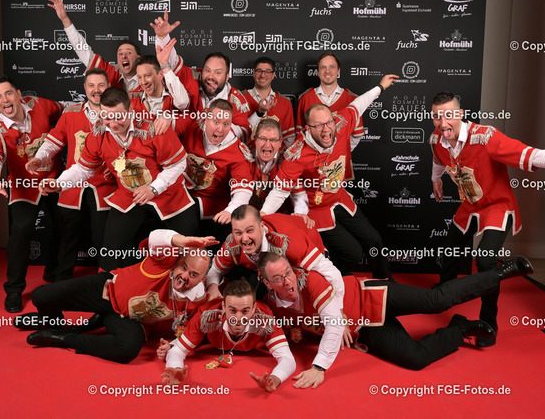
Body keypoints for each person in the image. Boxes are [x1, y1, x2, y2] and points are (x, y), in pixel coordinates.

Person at [258, 252, 533, 387]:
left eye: (289, 272)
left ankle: (500, 273)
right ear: (267, 283)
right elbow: (276, 331)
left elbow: (332, 320)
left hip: (373, 295)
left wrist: (319, 367)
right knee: (415, 359)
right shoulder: (272, 307)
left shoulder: (310, 279)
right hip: (366, 328)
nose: (288, 281)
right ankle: (460, 329)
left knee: (436, 300)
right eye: (278, 278)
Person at [430, 91, 545, 346]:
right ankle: (442, 296)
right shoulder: (438, 139)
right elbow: (438, 158)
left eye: (448, 115)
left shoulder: (486, 137)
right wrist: (435, 179)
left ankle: (488, 324)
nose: (443, 123)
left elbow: (532, 154)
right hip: (471, 205)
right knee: (450, 248)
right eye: (437, 117)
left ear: (460, 114)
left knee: (485, 260)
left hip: (497, 205)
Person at [40, 87, 199, 270]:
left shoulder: (153, 128)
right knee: (110, 252)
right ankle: (109, 285)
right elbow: (83, 169)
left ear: (130, 110)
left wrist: (154, 188)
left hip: (169, 195)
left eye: (118, 117)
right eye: (107, 117)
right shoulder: (98, 134)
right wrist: (59, 183)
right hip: (129, 196)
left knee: (191, 247)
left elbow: (178, 164)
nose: (113, 124)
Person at [16, 230, 217, 363]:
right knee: (41, 296)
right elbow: (156, 238)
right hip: (105, 292)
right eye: (183, 267)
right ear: (177, 261)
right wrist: (180, 240)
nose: (184, 276)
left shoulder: (197, 300)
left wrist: (171, 347)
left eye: (193, 275)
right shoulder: (164, 262)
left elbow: (191, 332)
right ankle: (53, 321)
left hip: (132, 320)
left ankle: (63, 337)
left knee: (127, 349)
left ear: (202, 279)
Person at [261, 101, 391, 278]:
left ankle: (384, 280)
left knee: (374, 239)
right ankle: (325, 277)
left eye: (329, 122)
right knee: (353, 254)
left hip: (339, 199)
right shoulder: (296, 153)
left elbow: (357, 106)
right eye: (318, 125)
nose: (326, 129)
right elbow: (279, 191)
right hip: (317, 210)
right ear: (308, 128)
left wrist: (380, 88)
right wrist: (262, 216)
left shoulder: (338, 125)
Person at [0, 75, 65, 312]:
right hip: (22, 186)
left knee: (64, 223)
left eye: (8, 93)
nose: (5, 100)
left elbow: (65, 110)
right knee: (21, 230)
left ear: (18, 95)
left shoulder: (39, 104)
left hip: (53, 179)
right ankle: (14, 289)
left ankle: (54, 271)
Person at [26, 68, 116, 280]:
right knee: (67, 236)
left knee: (103, 238)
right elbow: (53, 141)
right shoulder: (71, 113)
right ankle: (61, 281)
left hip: (103, 185)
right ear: (84, 88)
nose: (96, 90)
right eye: (91, 85)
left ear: (108, 87)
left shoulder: (117, 114)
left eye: (101, 85)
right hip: (73, 185)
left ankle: (104, 282)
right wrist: (39, 158)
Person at [158, 279, 295, 393]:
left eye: (245, 311)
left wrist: (274, 379)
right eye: (233, 310)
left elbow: (287, 359)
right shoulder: (207, 314)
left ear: (254, 309)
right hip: (206, 338)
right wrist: (176, 368)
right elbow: (178, 351)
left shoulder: (264, 318)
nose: (238, 318)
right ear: (223, 306)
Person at [206, 205, 342, 306]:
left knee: (311, 285)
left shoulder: (290, 242)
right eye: (238, 232)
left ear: (261, 226)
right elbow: (215, 269)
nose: (245, 238)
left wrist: (340, 314)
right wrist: (212, 287)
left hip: (305, 254)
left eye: (250, 231)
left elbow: (333, 273)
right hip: (263, 268)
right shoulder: (232, 243)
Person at [150, 11, 252, 141]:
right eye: (207, 70)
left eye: (218, 73)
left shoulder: (236, 100)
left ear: (227, 77)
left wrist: (216, 122)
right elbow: (172, 64)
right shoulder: (193, 77)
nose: (211, 76)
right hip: (186, 147)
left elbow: (244, 133)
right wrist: (163, 38)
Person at [296, 52, 398, 180]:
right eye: (323, 67)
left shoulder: (351, 99)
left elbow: (356, 135)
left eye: (332, 67)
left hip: (339, 165)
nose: (327, 71)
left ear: (338, 71)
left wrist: (340, 150)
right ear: (317, 72)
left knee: (339, 193)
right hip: (311, 165)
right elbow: (300, 135)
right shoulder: (305, 98)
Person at [173, 98, 254, 231]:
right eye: (216, 122)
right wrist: (164, 120)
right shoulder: (192, 126)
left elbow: (243, 188)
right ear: (206, 119)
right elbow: (169, 126)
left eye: (226, 124)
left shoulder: (238, 152)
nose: (220, 129)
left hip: (215, 210)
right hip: (183, 197)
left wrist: (231, 210)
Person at [47, 0, 141, 91]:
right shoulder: (108, 72)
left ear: (139, 58)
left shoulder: (147, 76)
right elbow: (82, 49)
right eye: (120, 53)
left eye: (129, 52)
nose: (124, 56)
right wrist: (65, 19)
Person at [128, 39, 190, 135]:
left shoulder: (174, 96)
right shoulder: (130, 98)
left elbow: (182, 102)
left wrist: (169, 117)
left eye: (147, 75)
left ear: (161, 75)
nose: (143, 82)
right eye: (139, 77)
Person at [243, 57, 295, 148]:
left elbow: (289, 139)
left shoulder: (285, 103)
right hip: (247, 154)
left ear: (273, 75)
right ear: (253, 73)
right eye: (259, 71)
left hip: (276, 156)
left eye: (267, 71)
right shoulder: (240, 99)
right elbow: (238, 134)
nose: (263, 75)